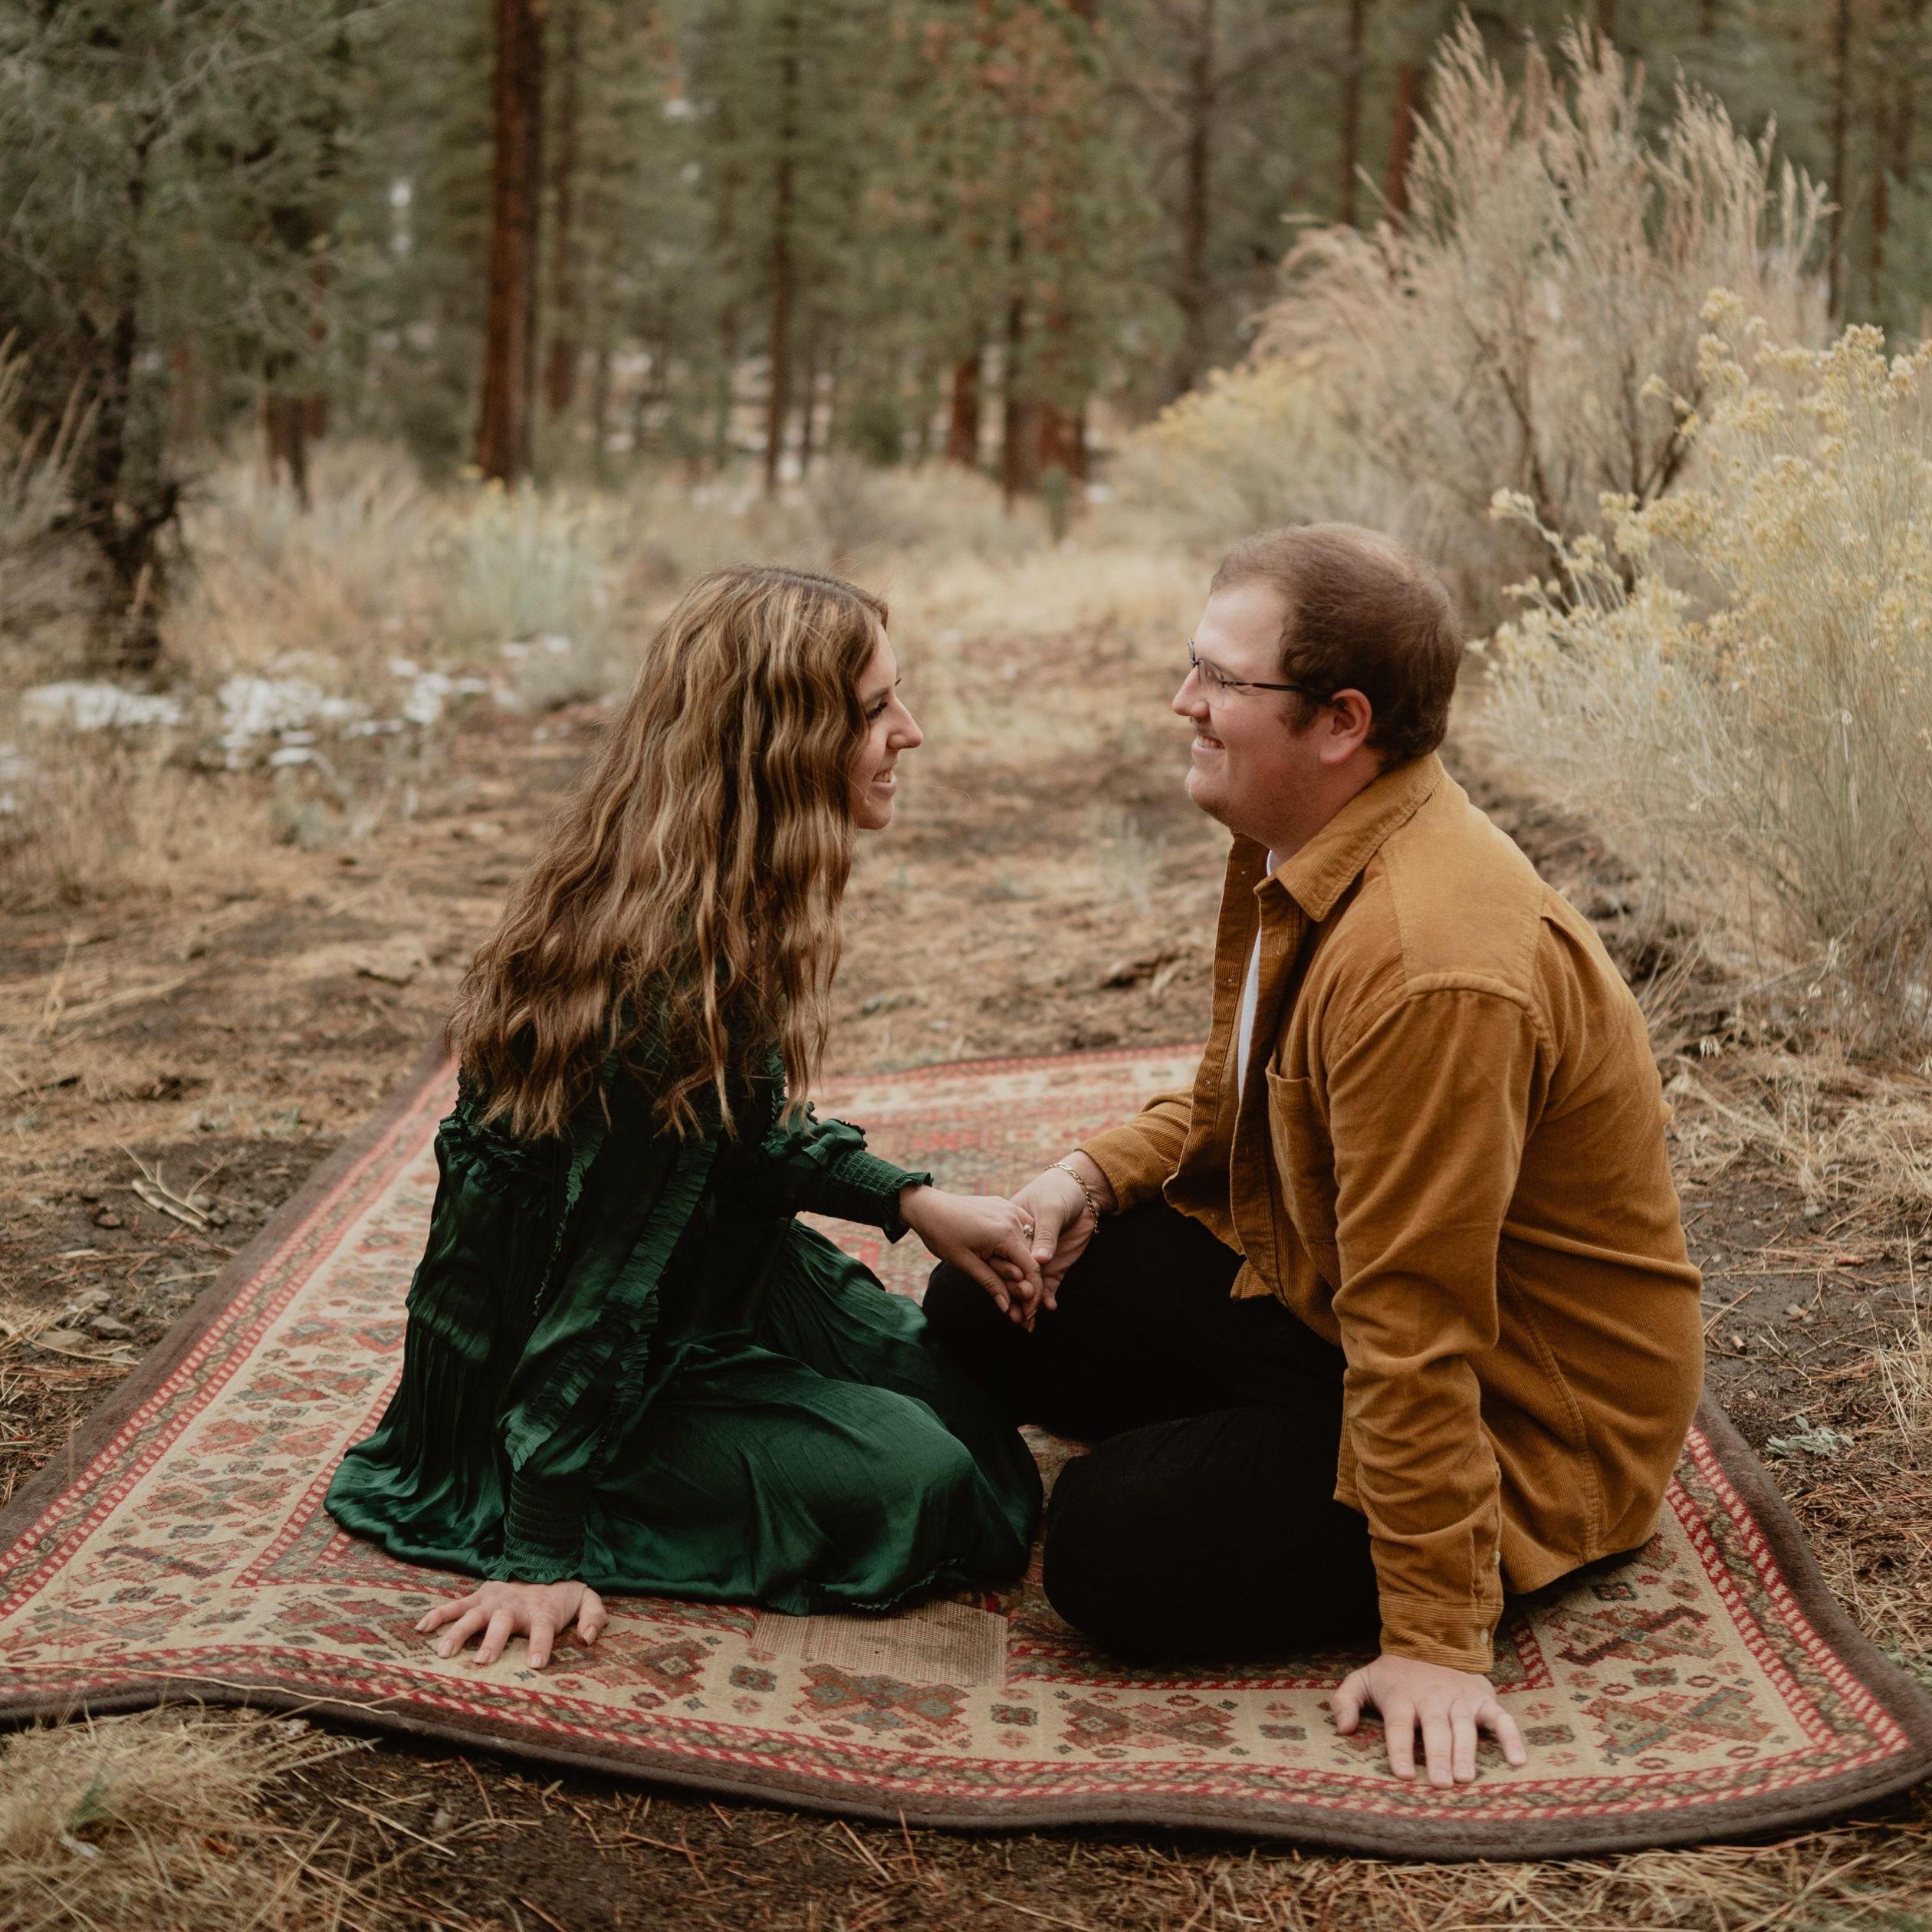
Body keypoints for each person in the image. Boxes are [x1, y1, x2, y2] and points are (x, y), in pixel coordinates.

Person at [924, 524, 1705, 1791]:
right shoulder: (1308, 832)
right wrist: (1085, 1178)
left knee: (1108, 1555)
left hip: (1523, 1405)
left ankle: (1329, 1494)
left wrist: (1438, 1641)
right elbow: (1246, 1109)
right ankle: (1255, 1444)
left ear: (1341, 722)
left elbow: (1423, 1312)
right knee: (984, 1290)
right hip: (1324, 1290)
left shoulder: (1428, 965)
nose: (1186, 703)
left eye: (1222, 682)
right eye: (1195, 667)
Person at [326, 564, 1043, 1669]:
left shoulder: (719, 884)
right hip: (547, 1356)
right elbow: (596, 1288)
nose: (912, 731)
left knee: (973, 1408)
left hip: (697, 1266)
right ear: (779, 744)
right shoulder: (654, 979)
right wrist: (537, 1550)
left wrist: (907, 1199)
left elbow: (737, 1129)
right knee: (930, 1484)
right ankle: (568, 1486)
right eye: (872, 710)